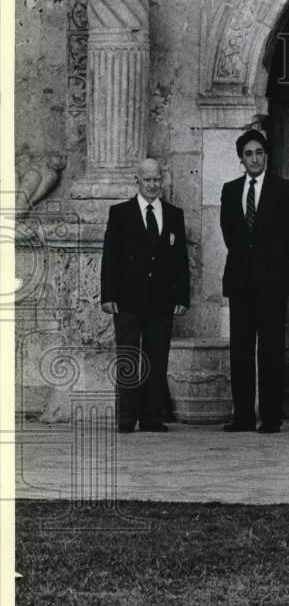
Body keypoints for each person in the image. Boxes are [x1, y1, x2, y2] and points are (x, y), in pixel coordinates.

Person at [220, 129, 289, 434]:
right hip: (240, 281)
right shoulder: (230, 191)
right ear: (241, 159)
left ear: (266, 156)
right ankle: (242, 415)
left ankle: (270, 416)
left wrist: (274, 268)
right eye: (248, 154)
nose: (254, 158)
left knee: (270, 350)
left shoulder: (283, 189)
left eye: (259, 152)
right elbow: (231, 234)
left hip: (272, 283)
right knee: (240, 350)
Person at [100, 158, 190, 433]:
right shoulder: (120, 213)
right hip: (127, 299)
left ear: (163, 180)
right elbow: (110, 257)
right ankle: (126, 417)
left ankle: (152, 416)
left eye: (157, 179)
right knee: (129, 356)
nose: (153, 185)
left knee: (157, 357)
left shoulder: (174, 214)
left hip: (162, 300)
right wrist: (107, 295)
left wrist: (182, 298)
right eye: (147, 179)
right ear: (137, 180)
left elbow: (181, 260)